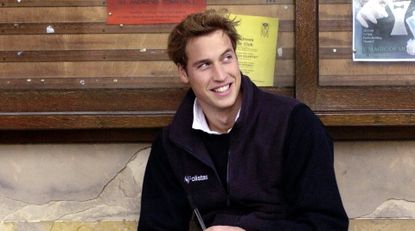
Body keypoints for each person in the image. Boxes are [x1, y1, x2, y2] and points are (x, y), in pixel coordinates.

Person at [138, 9, 349, 231]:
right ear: (183, 72)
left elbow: (328, 224)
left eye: (226, 58)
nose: (220, 75)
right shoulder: (172, 143)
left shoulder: (294, 123)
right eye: (204, 65)